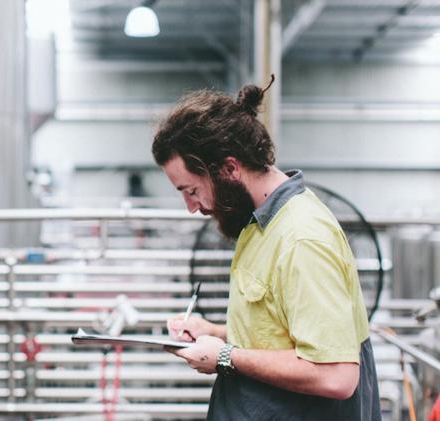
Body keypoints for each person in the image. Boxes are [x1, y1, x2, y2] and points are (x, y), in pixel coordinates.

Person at [152, 78, 381, 420]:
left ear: (229, 168)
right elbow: (284, 330)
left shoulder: (302, 238)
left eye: (192, 190)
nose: (191, 206)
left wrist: (225, 356)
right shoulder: (258, 222)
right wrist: (214, 334)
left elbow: (336, 375)